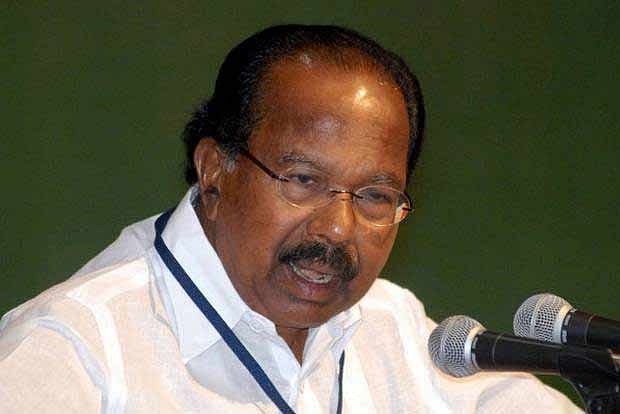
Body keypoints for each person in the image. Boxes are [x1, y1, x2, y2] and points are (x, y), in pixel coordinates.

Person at [0, 25, 581, 413]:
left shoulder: (393, 325)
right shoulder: (74, 349)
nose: (337, 229)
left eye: (375, 196)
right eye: (303, 181)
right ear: (215, 169)